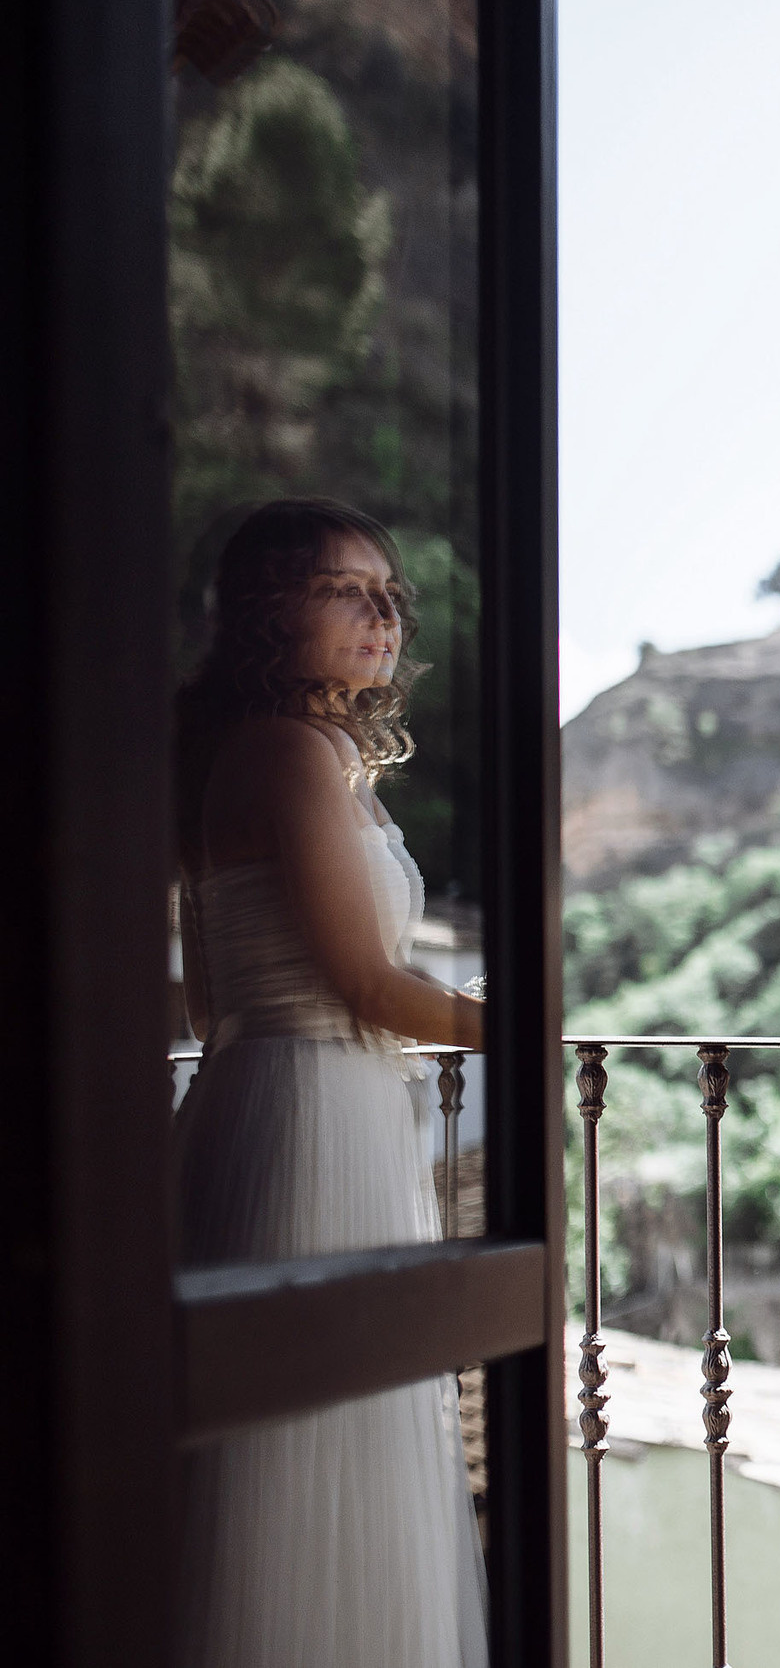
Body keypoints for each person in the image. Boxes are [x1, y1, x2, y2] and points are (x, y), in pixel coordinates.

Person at [172, 498, 488, 1668]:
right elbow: (364, 982)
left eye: (389, 595)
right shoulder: (290, 752)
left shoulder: (280, 752)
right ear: (269, 609)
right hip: (315, 1116)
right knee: (319, 1434)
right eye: (343, 589)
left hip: (275, 1096)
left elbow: (215, 1008)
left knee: (300, 1438)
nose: (379, 615)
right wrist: (510, 1021)